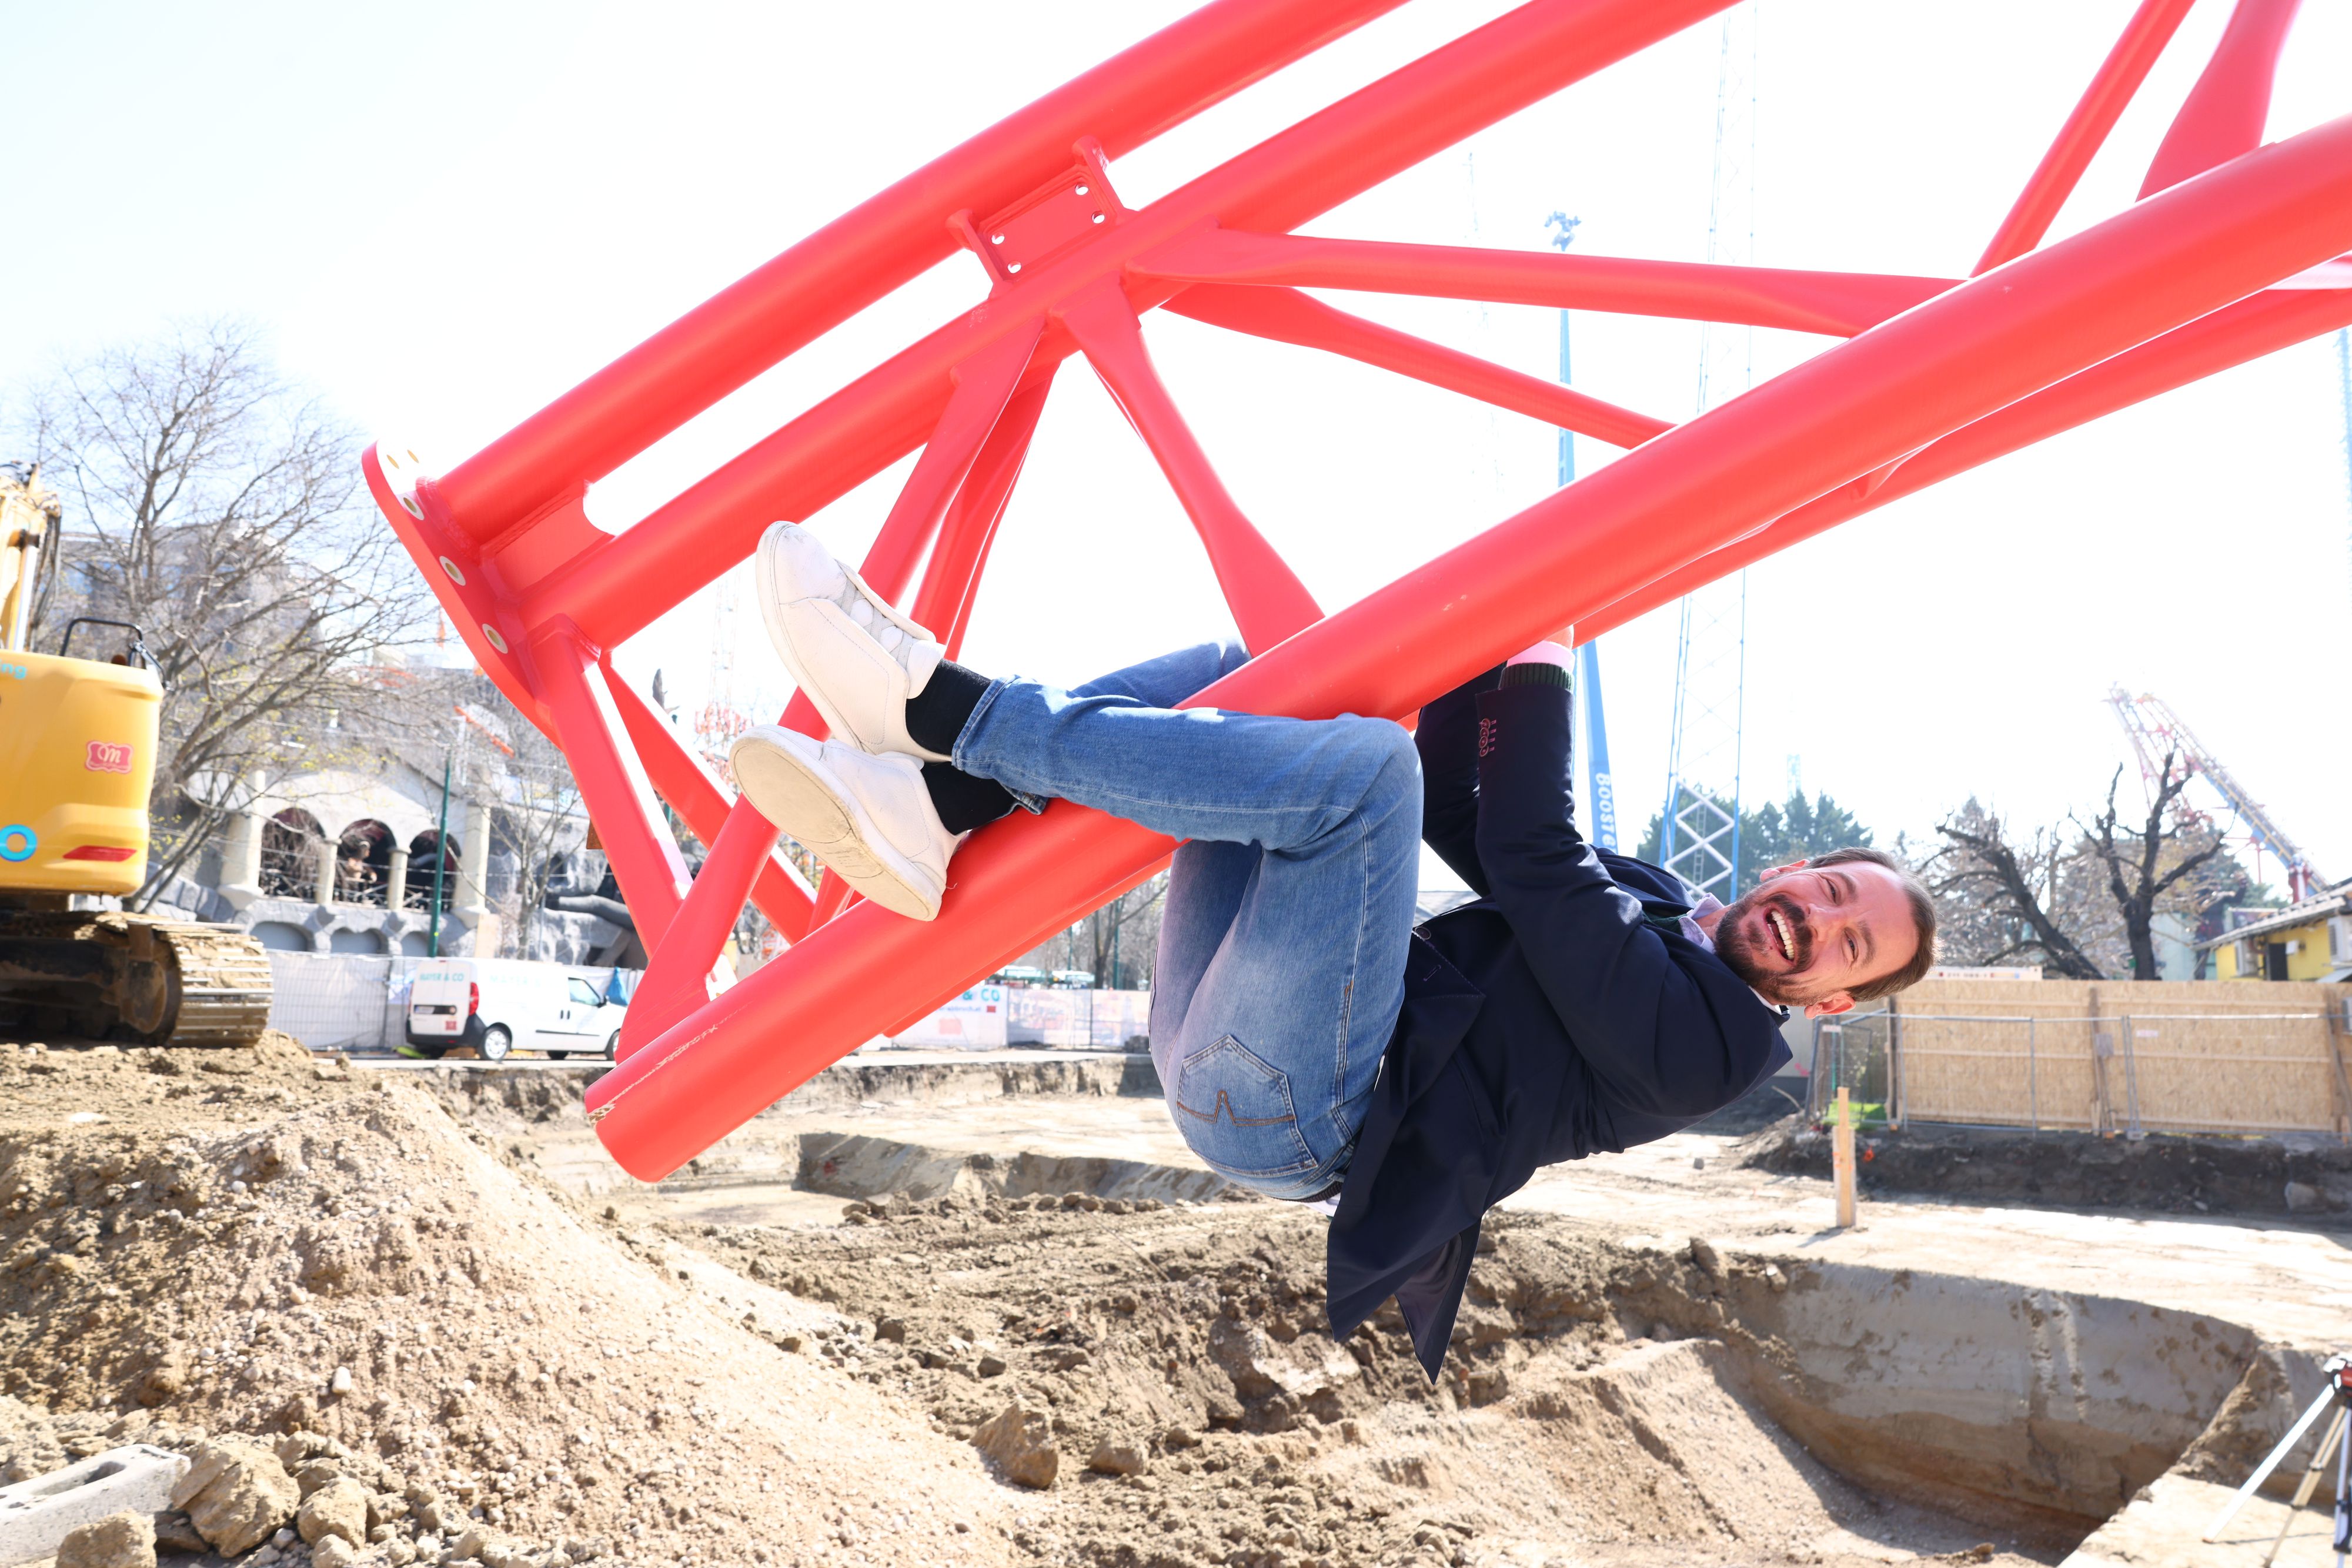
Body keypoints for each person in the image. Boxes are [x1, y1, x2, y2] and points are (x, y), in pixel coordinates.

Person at [730, 523, 1937, 1376]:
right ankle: (937, 810)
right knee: (1249, 681)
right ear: (1795, 867)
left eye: (1848, 945)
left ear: (1833, 1002)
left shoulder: (1716, 1050)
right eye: (1830, 891)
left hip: (1303, 1109)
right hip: (1239, 1024)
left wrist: (1543, 644)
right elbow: (1463, 814)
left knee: (1364, 773)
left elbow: (1529, 848)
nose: (1816, 921)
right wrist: (1479, 645)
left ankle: (946, 714)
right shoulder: (1660, 900)